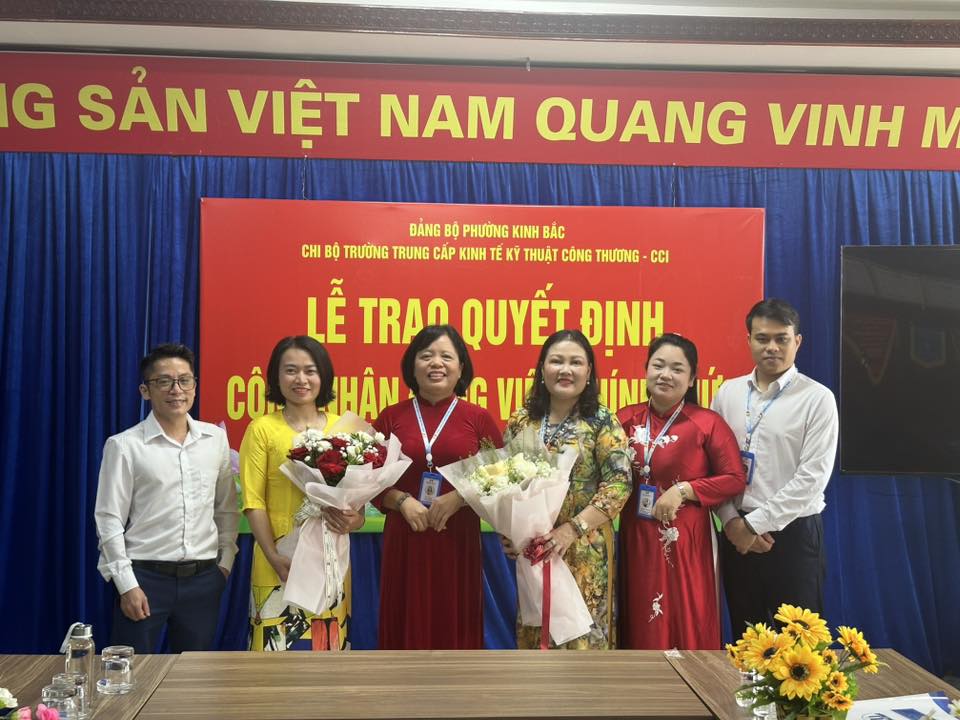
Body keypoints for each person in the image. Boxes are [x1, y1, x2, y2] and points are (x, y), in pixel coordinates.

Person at [94, 343, 238, 654]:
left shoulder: (214, 440)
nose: (176, 390)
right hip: (145, 579)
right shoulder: (124, 446)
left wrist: (225, 563)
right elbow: (108, 519)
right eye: (164, 381)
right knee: (132, 672)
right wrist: (127, 585)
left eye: (184, 380)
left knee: (194, 674)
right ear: (145, 390)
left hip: (203, 580)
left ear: (194, 386)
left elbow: (226, 508)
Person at [712, 299, 839, 633]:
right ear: (749, 341)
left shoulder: (817, 399)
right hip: (736, 533)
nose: (772, 347)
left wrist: (753, 526)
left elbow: (812, 479)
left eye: (781, 339)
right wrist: (731, 522)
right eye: (762, 338)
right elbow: (713, 467)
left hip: (793, 535)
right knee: (748, 638)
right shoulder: (728, 393)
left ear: (797, 341)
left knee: (800, 645)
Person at [373, 324, 502, 649]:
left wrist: (460, 497)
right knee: (403, 626)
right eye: (426, 355)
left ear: (461, 367)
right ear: (412, 365)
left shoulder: (478, 419)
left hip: (457, 539)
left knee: (455, 628)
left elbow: (501, 478)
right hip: (405, 539)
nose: (436, 363)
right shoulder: (390, 417)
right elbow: (367, 481)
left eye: (446, 356)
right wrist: (400, 500)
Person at [503, 329, 632, 649]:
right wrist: (511, 531)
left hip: (583, 548)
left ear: (589, 372)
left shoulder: (602, 421)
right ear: (542, 368)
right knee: (536, 637)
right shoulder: (522, 420)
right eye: (556, 361)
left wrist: (571, 530)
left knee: (581, 640)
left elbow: (619, 484)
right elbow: (504, 481)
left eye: (576, 362)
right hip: (533, 550)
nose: (565, 370)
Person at [617, 333, 745, 649]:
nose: (666, 375)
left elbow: (734, 478)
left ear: (692, 379)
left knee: (688, 616)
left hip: (687, 540)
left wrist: (686, 490)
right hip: (637, 536)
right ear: (646, 370)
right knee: (641, 615)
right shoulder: (624, 419)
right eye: (658, 365)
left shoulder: (707, 423)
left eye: (677, 369)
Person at [240, 335, 363, 651]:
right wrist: (273, 556)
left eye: (310, 370)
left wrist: (354, 520)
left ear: (324, 376)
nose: (301, 379)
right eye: (291, 370)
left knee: (328, 649)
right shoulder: (262, 429)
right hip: (280, 560)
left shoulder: (345, 429)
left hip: (330, 559)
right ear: (276, 377)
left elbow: (359, 504)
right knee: (274, 655)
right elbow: (253, 502)